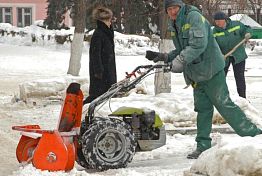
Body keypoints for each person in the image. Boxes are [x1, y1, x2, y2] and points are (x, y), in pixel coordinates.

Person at [146, 0, 262, 159]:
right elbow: (182, 49)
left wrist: (178, 62)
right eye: (169, 9)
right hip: (196, 74)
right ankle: (203, 145)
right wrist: (165, 56)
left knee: (223, 104)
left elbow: (197, 45)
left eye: (175, 8)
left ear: (181, 6)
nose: (172, 12)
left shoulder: (193, 17)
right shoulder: (175, 24)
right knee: (202, 109)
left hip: (211, 69)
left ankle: (254, 135)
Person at [84, 6, 117, 104]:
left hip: (108, 71)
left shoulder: (107, 33)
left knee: (105, 97)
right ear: (103, 21)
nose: (111, 22)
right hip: (101, 74)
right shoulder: (98, 34)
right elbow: (95, 54)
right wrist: (98, 71)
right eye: (109, 20)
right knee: (96, 97)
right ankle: (82, 110)